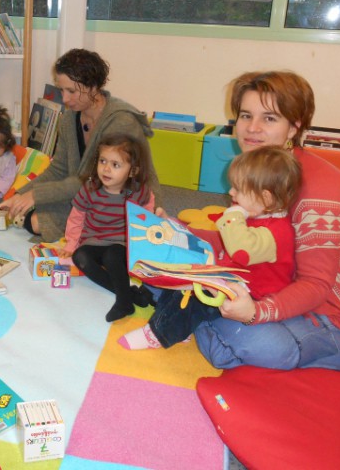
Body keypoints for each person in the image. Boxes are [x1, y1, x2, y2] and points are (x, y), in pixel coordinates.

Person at [142, 70, 340, 380]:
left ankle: (189, 315)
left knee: (259, 344)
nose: (252, 129)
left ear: (294, 126)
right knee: (163, 264)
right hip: (275, 281)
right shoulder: (263, 172)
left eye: (269, 119)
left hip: (331, 314)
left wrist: (255, 314)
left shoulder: (319, 192)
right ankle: (190, 312)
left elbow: (315, 286)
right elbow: (243, 244)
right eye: (245, 115)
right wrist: (178, 229)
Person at [119, 145, 301, 349]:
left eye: (238, 189)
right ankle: (179, 326)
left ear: (266, 198)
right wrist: (174, 225)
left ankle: (158, 333)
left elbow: (240, 252)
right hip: (235, 277)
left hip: (250, 295)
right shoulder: (259, 215)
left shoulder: (275, 233)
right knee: (184, 273)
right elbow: (223, 241)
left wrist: (233, 214)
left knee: (195, 292)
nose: (231, 192)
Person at [0, 48, 164, 241]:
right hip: (89, 194)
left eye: (72, 91)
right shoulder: (69, 119)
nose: (65, 99)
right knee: (27, 214)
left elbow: (98, 179)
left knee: (37, 221)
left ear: (93, 87)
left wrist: (36, 195)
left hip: (122, 198)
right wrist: (19, 194)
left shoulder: (121, 121)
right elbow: (58, 170)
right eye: (62, 90)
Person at [63, 134, 157, 322]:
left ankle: (123, 302)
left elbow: (147, 218)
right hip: (94, 241)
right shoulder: (90, 189)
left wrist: (147, 241)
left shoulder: (137, 192)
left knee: (112, 255)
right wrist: (71, 245)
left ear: (132, 171)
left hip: (121, 244)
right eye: (103, 161)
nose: (106, 169)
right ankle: (129, 296)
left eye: (115, 165)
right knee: (80, 257)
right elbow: (76, 218)